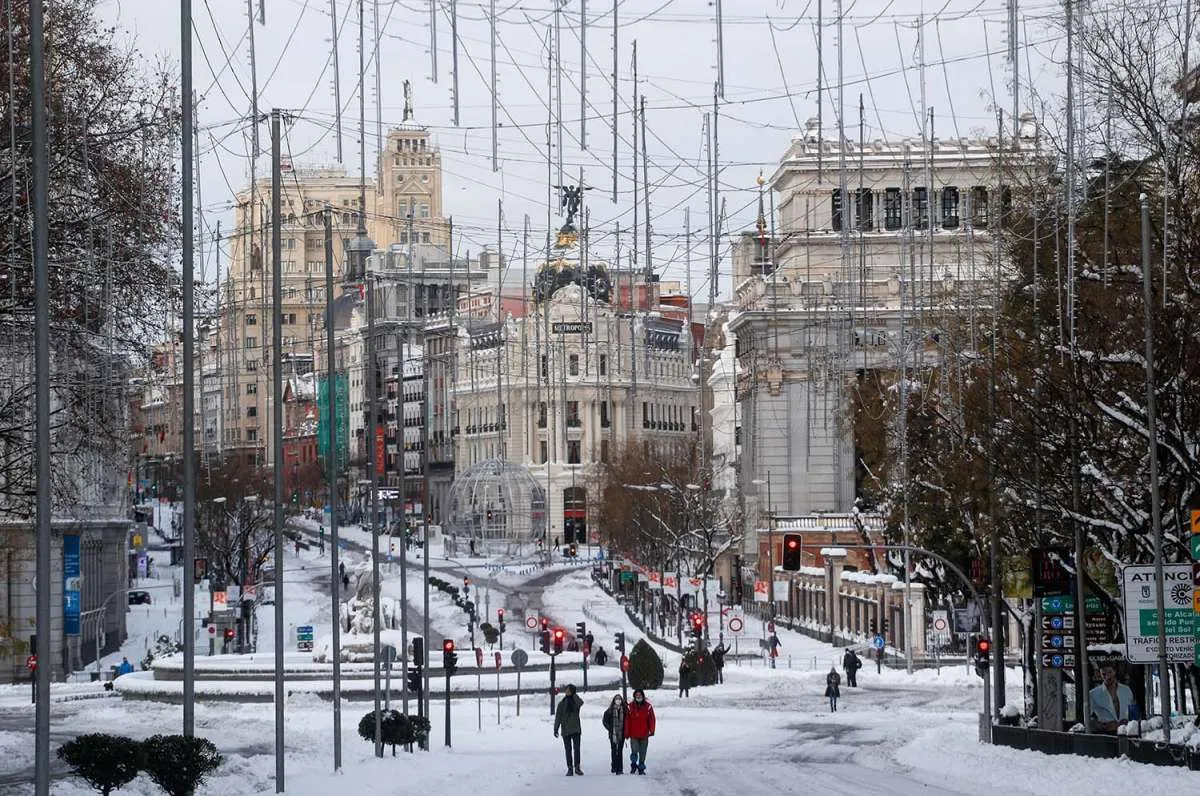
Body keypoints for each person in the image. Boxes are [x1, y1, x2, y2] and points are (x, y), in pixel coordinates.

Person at [1089, 664, 1136, 733]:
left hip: (1125, 731)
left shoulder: (1126, 689)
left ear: (1114, 672)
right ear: (1100, 674)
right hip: (1106, 733)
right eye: (1104, 674)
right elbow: (1087, 718)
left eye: (1110, 672)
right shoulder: (1093, 693)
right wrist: (1099, 725)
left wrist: (1129, 722)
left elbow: (1132, 710)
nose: (1107, 676)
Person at [553, 683, 584, 776]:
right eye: (566, 690)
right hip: (566, 730)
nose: (566, 691)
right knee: (568, 750)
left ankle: (577, 767)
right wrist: (556, 729)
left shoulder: (575, 701)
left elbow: (580, 703)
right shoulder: (562, 703)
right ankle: (570, 768)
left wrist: (574, 695)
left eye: (568, 690)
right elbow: (558, 717)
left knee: (577, 749)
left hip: (576, 729)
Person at [623, 689, 655, 775]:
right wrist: (626, 732)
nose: (638, 696)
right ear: (634, 696)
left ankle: (641, 768)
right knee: (634, 750)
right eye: (636, 695)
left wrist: (651, 730)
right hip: (633, 734)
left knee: (643, 752)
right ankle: (633, 765)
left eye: (640, 695)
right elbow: (627, 720)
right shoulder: (630, 707)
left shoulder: (648, 707)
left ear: (643, 696)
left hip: (644, 734)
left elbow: (652, 719)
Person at [601, 694, 628, 775]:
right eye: (616, 699)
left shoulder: (625, 710)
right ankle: (614, 766)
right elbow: (604, 721)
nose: (618, 700)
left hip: (622, 734)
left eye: (619, 699)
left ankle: (620, 768)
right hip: (613, 734)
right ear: (614, 700)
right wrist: (610, 729)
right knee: (613, 750)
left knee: (620, 750)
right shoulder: (609, 711)